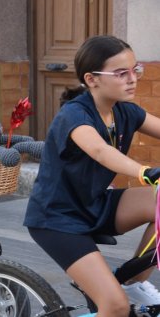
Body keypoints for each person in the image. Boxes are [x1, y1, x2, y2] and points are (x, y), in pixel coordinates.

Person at [23, 35, 160, 317]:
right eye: (121, 73)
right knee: (115, 306)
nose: (132, 78)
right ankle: (113, 297)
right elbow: (99, 150)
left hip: (95, 203)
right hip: (57, 219)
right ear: (92, 78)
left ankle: (134, 282)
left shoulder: (125, 111)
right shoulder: (74, 114)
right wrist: (143, 171)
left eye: (135, 70)